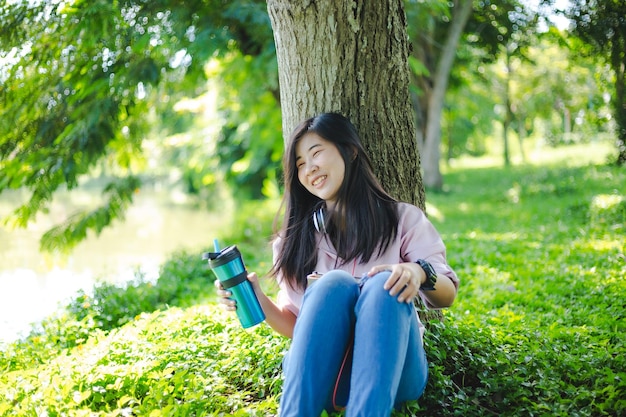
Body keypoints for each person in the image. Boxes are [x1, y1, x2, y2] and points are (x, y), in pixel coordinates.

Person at [216, 112, 459, 417]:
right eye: (301, 164)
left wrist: (418, 271)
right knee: (333, 283)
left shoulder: (402, 220)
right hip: (329, 379)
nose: (310, 168)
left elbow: (447, 294)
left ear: (351, 151)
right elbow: (300, 328)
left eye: (317, 153)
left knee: (383, 286)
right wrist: (256, 298)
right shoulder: (292, 242)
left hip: (396, 372)